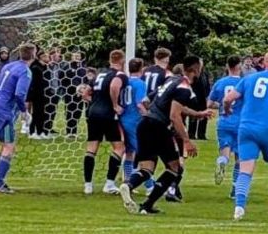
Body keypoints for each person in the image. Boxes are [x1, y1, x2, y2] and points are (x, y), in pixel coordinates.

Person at [119, 56, 209, 215]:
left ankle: (128, 185)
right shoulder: (184, 88)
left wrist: (198, 114)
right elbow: (175, 115)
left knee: (147, 169)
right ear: (196, 70)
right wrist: (187, 141)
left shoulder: (171, 80)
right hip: (158, 127)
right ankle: (147, 205)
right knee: (174, 168)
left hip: (145, 123)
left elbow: (146, 101)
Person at [223, 50, 268, 221]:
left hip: (246, 128)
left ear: (264, 63)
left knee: (245, 169)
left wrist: (227, 110)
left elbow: (227, 99)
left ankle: (239, 209)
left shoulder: (249, 79)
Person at [0, 43, 33, 194]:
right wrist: (24, 112)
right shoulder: (25, 71)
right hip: (3, 113)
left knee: (4, 144)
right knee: (9, 146)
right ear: (33, 55)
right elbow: (19, 94)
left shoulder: (8, 66)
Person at [83, 49, 129, 195]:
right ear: (122, 61)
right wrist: (115, 105)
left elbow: (85, 92)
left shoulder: (100, 73)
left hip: (92, 113)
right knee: (119, 147)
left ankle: (88, 185)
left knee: (92, 147)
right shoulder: (120, 75)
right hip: (108, 114)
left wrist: (93, 102)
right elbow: (114, 86)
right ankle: (109, 183)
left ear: (110, 60)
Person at [208, 56, 243, 192]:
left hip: (224, 121)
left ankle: (222, 161)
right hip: (240, 122)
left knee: (225, 152)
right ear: (239, 66)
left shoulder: (220, 83)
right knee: (240, 158)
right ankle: (235, 189)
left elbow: (209, 103)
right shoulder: (244, 83)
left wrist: (222, 105)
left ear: (227, 66)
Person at [120, 58, 152, 192]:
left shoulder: (124, 81)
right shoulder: (140, 83)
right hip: (134, 121)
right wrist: (148, 116)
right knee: (143, 153)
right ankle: (150, 186)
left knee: (129, 152)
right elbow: (139, 104)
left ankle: (128, 181)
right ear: (141, 69)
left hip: (122, 119)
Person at [62, 51, 87, 137]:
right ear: (72, 56)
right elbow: (63, 79)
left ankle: (74, 131)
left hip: (80, 94)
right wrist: (75, 87)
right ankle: (69, 131)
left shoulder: (83, 68)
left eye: (78, 56)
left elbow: (85, 79)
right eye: (75, 55)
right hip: (70, 94)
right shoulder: (67, 67)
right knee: (70, 111)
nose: (77, 57)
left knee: (78, 112)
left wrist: (83, 88)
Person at [27, 50, 49, 138]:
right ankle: (32, 132)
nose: (47, 58)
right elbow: (33, 82)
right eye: (45, 56)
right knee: (36, 113)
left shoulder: (45, 67)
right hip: (36, 94)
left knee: (42, 113)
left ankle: (40, 131)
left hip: (44, 93)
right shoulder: (35, 67)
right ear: (40, 57)